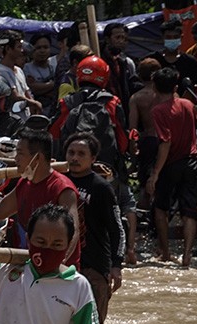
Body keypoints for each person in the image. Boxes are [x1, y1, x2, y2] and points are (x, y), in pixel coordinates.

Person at [50, 56, 136, 267]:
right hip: (107, 170)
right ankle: (124, 254)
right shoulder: (112, 102)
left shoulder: (67, 102)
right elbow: (122, 141)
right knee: (118, 211)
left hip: (71, 172)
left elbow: (54, 133)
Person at [0, 128, 81, 267]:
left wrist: (58, 262)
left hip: (57, 270)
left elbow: (73, 230)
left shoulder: (62, 188)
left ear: (37, 158)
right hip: (30, 264)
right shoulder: (25, 183)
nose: (15, 158)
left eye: (20, 154)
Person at [64, 133, 124, 324]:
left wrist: (116, 266)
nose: (75, 158)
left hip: (95, 266)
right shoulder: (59, 182)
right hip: (64, 264)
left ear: (93, 159)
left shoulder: (101, 188)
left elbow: (117, 228)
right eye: (71, 152)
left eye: (81, 154)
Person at [148, 67, 197, 266]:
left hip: (170, 164)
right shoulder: (188, 104)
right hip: (191, 162)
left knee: (161, 208)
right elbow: (196, 126)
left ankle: (166, 252)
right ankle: (187, 255)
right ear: (176, 87)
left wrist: (155, 173)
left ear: (155, 87)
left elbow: (165, 142)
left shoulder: (157, 111)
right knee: (188, 211)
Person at [128, 58, 163, 216]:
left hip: (147, 139)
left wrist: (132, 144)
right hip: (165, 139)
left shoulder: (137, 98)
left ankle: (145, 212)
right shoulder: (166, 95)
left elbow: (133, 127)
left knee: (145, 181)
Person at [146, 18, 197, 95]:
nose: (172, 40)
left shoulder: (190, 62)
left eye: (175, 37)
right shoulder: (152, 60)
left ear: (181, 38)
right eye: (168, 37)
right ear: (162, 38)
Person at [0, 30, 41, 119]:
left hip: (25, 118)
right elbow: (15, 96)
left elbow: (26, 92)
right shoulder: (1, 71)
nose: (22, 50)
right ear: (8, 49)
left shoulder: (19, 70)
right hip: (12, 120)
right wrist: (35, 103)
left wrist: (33, 106)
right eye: (19, 47)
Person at [24, 33, 57, 116]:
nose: (42, 51)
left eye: (45, 47)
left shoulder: (54, 66)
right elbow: (33, 89)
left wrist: (43, 87)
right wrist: (53, 85)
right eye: (38, 48)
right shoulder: (26, 68)